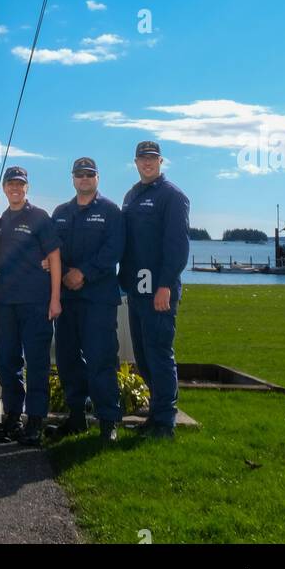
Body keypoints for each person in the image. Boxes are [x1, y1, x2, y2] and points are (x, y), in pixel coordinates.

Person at [50, 156, 125, 444]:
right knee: (68, 360)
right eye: (79, 175)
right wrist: (67, 273)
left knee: (101, 359)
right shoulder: (60, 213)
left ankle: (108, 422)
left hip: (98, 299)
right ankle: (76, 416)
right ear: (72, 179)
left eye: (89, 175)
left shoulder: (110, 212)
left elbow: (114, 250)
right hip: (67, 299)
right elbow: (51, 249)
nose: (84, 179)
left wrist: (84, 273)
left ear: (97, 178)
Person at [119, 139, 190, 440]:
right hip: (135, 289)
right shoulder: (132, 195)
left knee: (159, 353)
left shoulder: (172, 197)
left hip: (158, 291)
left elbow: (177, 246)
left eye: (152, 158)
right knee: (144, 356)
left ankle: (165, 422)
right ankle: (156, 414)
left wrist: (165, 286)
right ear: (135, 163)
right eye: (141, 159)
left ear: (161, 162)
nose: (147, 163)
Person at [0, 166, 61, 447]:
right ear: (5, 188)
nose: (15, 189)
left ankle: (35, 419)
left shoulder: (39, 217)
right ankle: (12, 416)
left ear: (27, 188)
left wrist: (55, 297)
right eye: (11, 184)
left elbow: (54, 257)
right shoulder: (0, 220)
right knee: (7, 363)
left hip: (36, 303)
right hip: (5, 304)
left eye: (20, 184)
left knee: (36, 363)